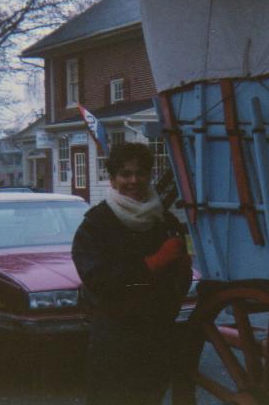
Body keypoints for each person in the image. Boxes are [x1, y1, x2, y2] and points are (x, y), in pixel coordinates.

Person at [72, 142, 192, 405]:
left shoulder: (165, 221)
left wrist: (182, 271)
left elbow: (177, 284)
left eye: (140, 173)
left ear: (149, 176)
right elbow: (98, 280)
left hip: (156, 334)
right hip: (115, 337)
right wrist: (151, 265)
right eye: (125, 174)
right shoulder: (96, 224)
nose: (133, 180)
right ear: (113, 180)